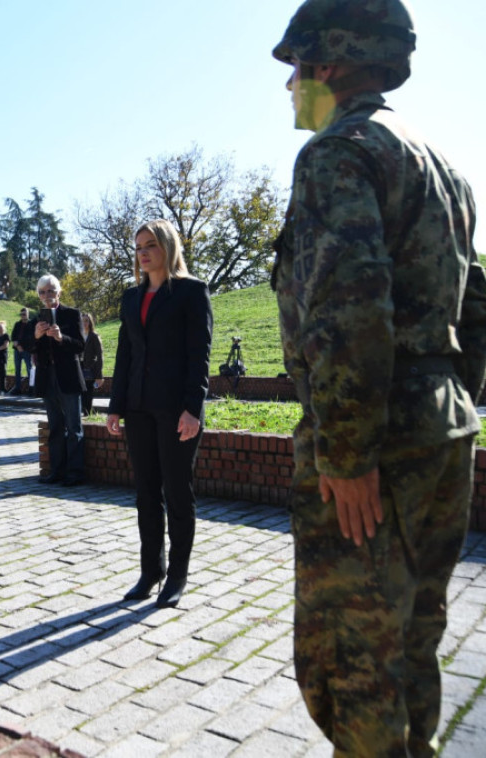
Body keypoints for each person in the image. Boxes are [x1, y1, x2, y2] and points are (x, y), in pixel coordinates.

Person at [270, 1, 486, 753]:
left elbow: (348, 306)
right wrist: (452, 402)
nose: (289, 87)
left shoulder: (340, 153)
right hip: (444, 428)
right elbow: (477, 304)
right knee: (416, 642)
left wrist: (349, 451)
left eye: (296, 68)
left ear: (330, 63)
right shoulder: (445, 166)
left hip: (376, 446)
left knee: (353, 669)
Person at [106, 220, 211, 608]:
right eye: (138, 247)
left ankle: (177, 578)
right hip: (138, 408)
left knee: (177, 493)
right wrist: (115, 406)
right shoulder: (131, 297)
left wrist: (192, 410)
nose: (144, 252)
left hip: (176, 411)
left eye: (151, 245)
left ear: (168, 247)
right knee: (146, 494)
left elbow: (199, 356)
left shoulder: (191, 292)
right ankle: (152, 571)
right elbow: (125, 356)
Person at [34, 275, 87, 485]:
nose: (47, 296)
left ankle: (75, 473)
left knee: (74, 427)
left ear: (59, 292)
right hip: (48, 378)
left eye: (51, 291)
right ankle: (57, 470)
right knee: (55, 426)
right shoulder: (36, 319)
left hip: (69, 377)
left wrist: (60, 338)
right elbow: (29, 347)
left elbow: (81, 345)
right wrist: (36, 336)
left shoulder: (72, 314)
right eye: (43, 292)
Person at [80, 313, 103, 416]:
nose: (84, 323)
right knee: (81, 393)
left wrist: (99, 375)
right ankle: (85, 413)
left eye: (86, 321)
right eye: (82, 321)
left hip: (89, 368)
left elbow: (100, 356)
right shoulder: (79, 335)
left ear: (90, 322)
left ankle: (88, 414)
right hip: (79, 367)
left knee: (88, 393)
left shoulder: (94, 336)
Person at [10, 308, 35, 395]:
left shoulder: (31, 324)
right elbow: (13, 336)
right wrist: (17, 345)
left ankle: (32, 388)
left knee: (29, 369)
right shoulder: (17, 324)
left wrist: (21, 346)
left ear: (28, 314)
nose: (23, 316)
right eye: (21, 314)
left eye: (24, 314)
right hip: (17, 350)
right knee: (17, 369)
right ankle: (18, 388)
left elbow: (31, 338)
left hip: (27, 350)